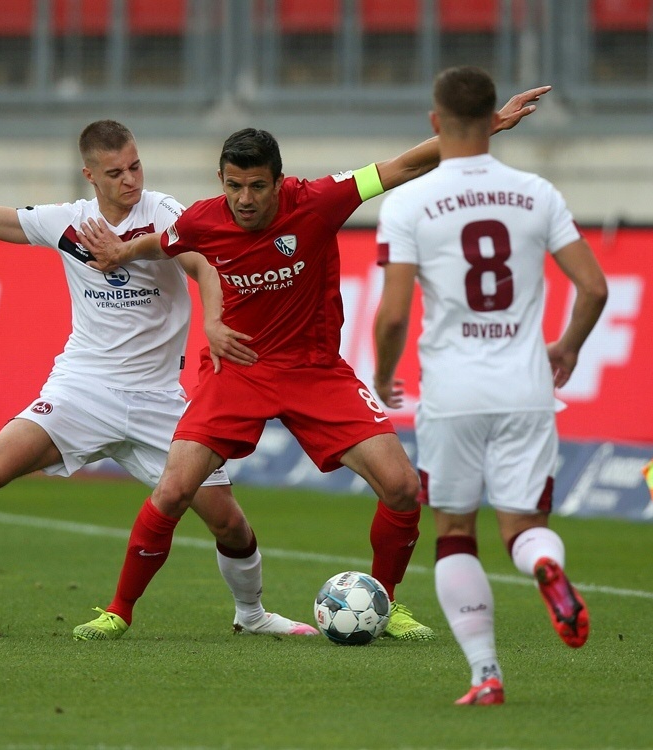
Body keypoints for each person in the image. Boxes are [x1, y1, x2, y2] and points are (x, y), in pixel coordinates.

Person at [71, 84, 552, 643]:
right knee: (174, 490)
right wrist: (123, 252)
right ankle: (119, 611)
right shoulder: (204, 220)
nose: (244, 199)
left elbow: (399, 167)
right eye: (233, 186)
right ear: (220, 183)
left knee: (401, 487)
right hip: (238, 370)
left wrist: (480, 129)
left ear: (279, 181)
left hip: (314, 369)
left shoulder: (322, 200)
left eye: (256, 186)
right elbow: (165, 241)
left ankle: (387, 604)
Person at [0, 120, 319, 638]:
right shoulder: (67, 223)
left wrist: (212, 321)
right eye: (115, 172)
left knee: (228, 522)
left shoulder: (165, 212)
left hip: (159, 400)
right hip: (82, 391)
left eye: (135, 166)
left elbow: (204, 264)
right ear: (90, 175)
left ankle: (251, 614)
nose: (130, 180)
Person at [373, 66, 607, 704]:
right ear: (491, 123)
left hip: (452, 390)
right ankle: (543, 565)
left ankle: (485, 674)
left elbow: (393, 314)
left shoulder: (409, 204)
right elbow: (594, 287)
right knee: (523, 524)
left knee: (454, 534)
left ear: (435, 122)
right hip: (526, 384)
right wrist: (568, 346)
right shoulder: (536, 192)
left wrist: (385, 374)